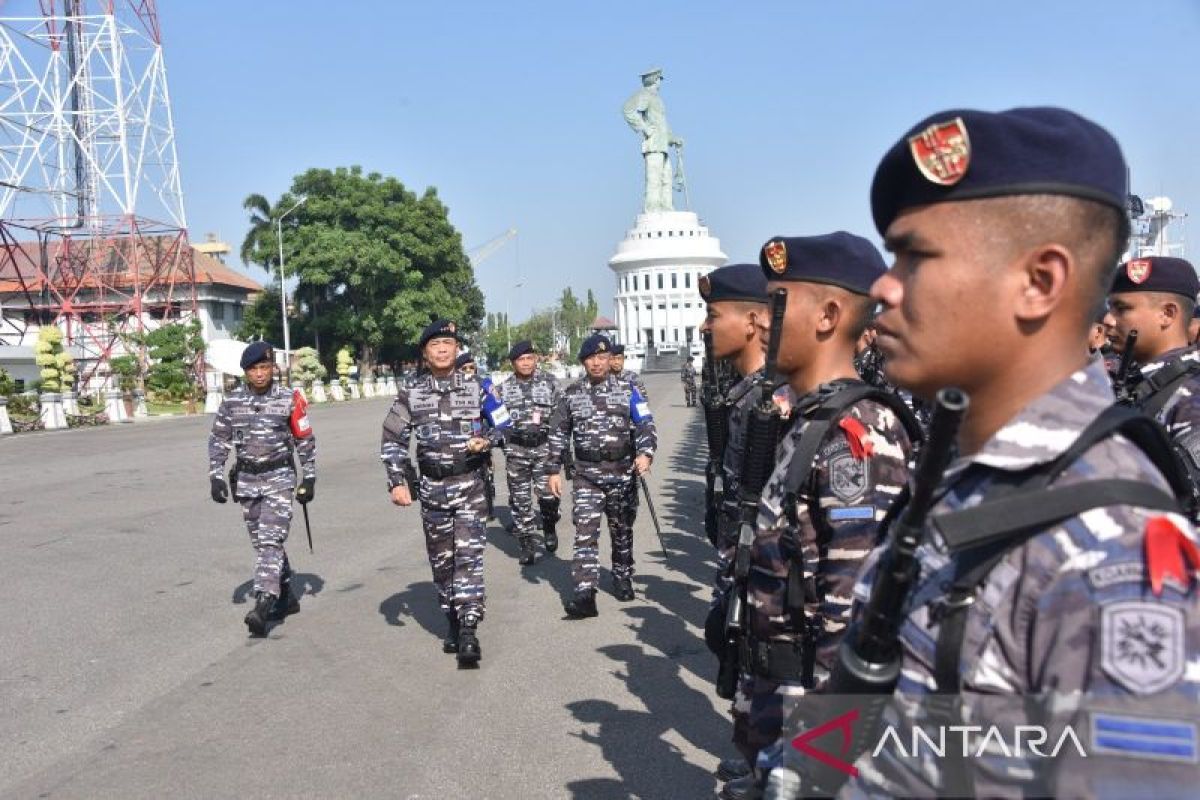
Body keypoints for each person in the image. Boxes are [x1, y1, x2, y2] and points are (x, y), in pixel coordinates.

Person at [771, 108, 1200, 798]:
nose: (883, 287)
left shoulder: (1109, 551)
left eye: (916, 256)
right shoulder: (966, 480)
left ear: (1039, 282)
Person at [719, 234, 918, 800]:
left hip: (813, 707)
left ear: (829, 315)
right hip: (777, 689)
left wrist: (827, 748)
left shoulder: (855, 434)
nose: (760, 324)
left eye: (777, 306)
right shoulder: (810, 421)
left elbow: (855, 610)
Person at [380, 320, 511, 667]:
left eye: (448, 343)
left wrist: (490, 440)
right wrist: (396, 480)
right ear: (425, 353)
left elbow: (503, 423)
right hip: (433, 491)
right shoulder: (411, 394)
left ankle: (469, 628)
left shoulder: (478, 388)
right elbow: (393, 439)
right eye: (435, 344)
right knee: (443, 562)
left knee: (468, 558)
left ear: (456, 349)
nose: (441, 349)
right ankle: (452, 619)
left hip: (469, 485)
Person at [694, 263, 770, 785]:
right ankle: (756, 755)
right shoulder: (743, 393)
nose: (704, 326)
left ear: (753, 320)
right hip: (739, 552)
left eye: (713, 314)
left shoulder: (773, 400)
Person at [208, 341, 316, 637]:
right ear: (245, 372)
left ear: (273, 368)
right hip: (246, 481)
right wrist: (215, 475)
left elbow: (305, 439)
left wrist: (309, 477)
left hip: (279, 478)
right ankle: (287, 596)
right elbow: (219, 440)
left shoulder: (289, 399)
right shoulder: (231, 403)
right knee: (262, 543)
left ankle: (264, 603)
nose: (259, 374)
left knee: (270, 541)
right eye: (254, 369)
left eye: (264, 367)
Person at [546, 334, 657, 617]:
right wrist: (552, 470)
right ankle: (585, 593)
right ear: (583, 361)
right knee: (585, 533)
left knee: (621, 530)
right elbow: (558, 433)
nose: (597, 363)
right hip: (586, 475)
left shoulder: (629, 389)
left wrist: (645, 453)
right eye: (591, 358)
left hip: (621, 472)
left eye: (602, 357)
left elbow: (644, 424)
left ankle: (621, 575)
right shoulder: (570, 394)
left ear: (610, 360)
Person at [1105, 256, 1200, 507]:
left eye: (1122, 308)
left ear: (1167, 314)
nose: (1108, 320)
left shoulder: (1191, 393)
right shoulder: (1135, 384)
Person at [498, 339, 563, 564]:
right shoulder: (503, 389)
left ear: (535, 359)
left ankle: (549, 526)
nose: (525, 363)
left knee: (548, 496)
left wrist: (560, 450)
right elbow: (495, 421)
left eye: (529, 358)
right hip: (516, 451)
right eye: (520, 359)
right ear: (513, 363)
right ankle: (526, 542)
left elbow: (561, 418)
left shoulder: (550, 383)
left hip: (544, 448)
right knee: (520, 499)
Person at [622, 67, 683, 213]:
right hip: (653, 145)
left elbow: (662, 124)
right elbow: (627, 109)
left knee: (666, 178)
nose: (659, 82)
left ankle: (667, 207)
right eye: (658, 79)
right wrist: (644, 128)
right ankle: (653, 209)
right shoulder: (644, 95)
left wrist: (673, 138)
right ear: (654, 79)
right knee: (654, 179)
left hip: (663, 146)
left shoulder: (657, 99)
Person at [456, 351, 497, 521]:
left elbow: (499, 420)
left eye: (471, 368)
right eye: (464, 368)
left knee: (484, 476)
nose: (468, 371)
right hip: (457, 446)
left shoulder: (484, 386)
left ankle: (487, 508)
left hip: (480, 439)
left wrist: (488, 440)